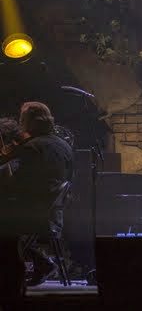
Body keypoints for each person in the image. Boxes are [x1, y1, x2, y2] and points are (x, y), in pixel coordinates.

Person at [0, 102, 73, 285]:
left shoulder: (32, 148)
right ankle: (41, 261)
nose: (20, 123)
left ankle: (12, 275)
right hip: (53, 214)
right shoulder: (63, 145)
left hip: (34, 214)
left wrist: (7, 168)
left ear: (31, 122)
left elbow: (17, 186)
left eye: (22, 120)